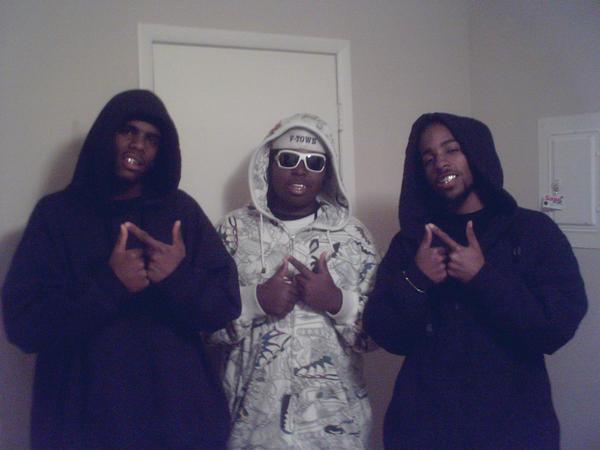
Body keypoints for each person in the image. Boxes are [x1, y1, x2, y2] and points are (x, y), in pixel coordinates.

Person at [2, 89, 241, 449]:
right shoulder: (56, 215)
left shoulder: (181, 211)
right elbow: (23, 325)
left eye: (151, 139)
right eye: (128, 130)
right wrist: (109, 286)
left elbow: (225, 305)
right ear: (106, 135)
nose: (138, 145)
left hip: (177, 422)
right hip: (81, 424)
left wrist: (177, 278)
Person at [363, 112, 588, 449]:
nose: (440, 162)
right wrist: (417, 280)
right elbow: (385, 333)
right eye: (428, 158)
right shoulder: (413, 241)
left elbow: (555, 328)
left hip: (514, 428)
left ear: (476, 153)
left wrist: (483, 278)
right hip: (423, 428)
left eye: (451, 149)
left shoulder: (532, 231)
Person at [210, 113, 379, 449]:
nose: (301, 170)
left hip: (336, 434)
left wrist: (336, 302)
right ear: (268, 163)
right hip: (250, 431)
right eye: (288, 159)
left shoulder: (353, 236)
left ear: (327, 172)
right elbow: (202, 326)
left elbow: (378, 335)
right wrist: (255, 301)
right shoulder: (232, 231)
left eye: (314, 162)